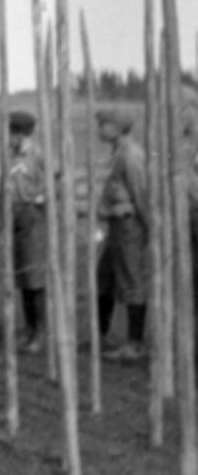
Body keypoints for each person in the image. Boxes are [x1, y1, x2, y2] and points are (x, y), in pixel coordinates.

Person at [95, 106, 150, 362]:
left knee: (131, 281)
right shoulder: (117, 153)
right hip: (117, 226)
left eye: (104, 124)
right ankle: (100, 335)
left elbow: (142, 196)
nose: (99, 129)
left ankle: (134, 344)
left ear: (117, 127)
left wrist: (150, 229)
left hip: (130, 227)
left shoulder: (131, 156)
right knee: (104, 279)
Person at [7, 110, 50, 353]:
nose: (8, 139)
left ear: (20, 134)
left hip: (33, 216)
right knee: (22, 277)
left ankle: (40, 333)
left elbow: (55, 179)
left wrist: (40, 200)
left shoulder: (38, 155)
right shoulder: (12, 155)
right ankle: (30, 329)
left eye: (11, 134)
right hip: (16, 215)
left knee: (34, 277)